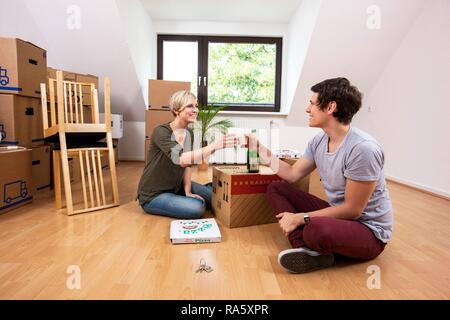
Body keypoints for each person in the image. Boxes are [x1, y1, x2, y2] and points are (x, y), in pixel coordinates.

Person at [248, 77, 393, 274]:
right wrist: (257, 147)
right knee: (277, 187)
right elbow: (291, 174)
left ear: (331, 107)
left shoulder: (363, 149)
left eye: (312, 103)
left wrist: (300, 218)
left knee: (315, 228)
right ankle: (306, 249)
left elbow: (352, 210)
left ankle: (311, 244)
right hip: (338, 216)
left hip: (368, 230)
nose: (308, 109)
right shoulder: (319, 141)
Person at [137, 90, 237, 219]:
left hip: (176, 186)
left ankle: (190, 194)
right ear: (177, 110)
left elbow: (187, 165)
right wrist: (215, 146)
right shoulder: (161, 131)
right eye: (190, 106)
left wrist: (188, 191)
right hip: (154, 195)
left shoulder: (189, 132)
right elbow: (182, 160)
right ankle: (188, 197)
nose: (195, 110)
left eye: (196, 106)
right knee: (197, 208)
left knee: (217, 197)